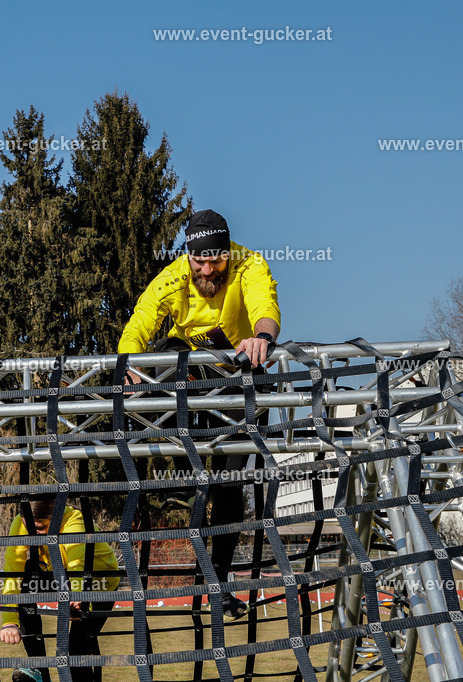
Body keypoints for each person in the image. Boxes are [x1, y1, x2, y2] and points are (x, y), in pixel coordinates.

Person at [117, 208, 281, 620]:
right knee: (158, 356)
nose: (208, 269)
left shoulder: (249, 264)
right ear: (188, 257)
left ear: (228, 252)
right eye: (199, 261)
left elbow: (265, 304)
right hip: (190, 375)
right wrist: (127, 364)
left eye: (216, 260)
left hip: (237, 379)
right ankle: (180, 469)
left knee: (229, 485)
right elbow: (140, 321)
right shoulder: (173, 277)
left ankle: (218, 586)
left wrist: (262, 336)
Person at [0, 500, 120, 682]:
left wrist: (78, 598)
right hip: (59, 577)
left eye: (40, 528)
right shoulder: (22, 522)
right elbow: (12, 572)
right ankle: (37, 667)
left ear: (54, 517)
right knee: (25, 579)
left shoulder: (75, 521)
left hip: (99, 583)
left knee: (77, 648)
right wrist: (9, 621)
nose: (33, 534)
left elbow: (77, 564)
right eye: (28, 527)